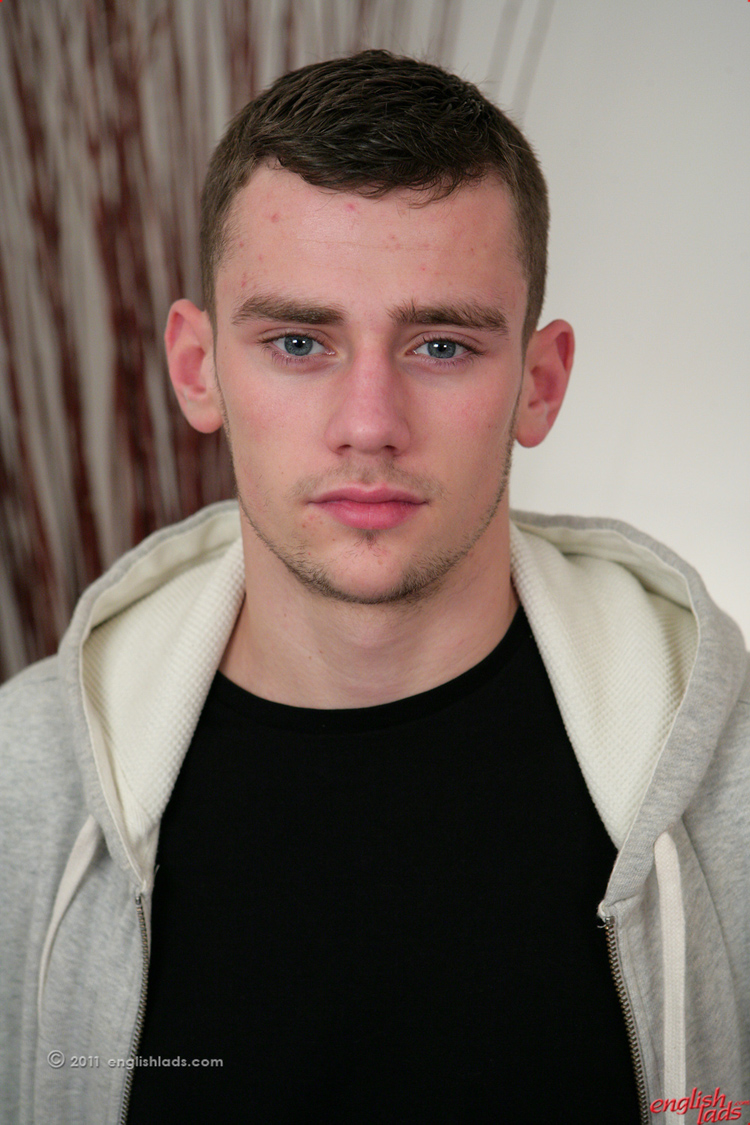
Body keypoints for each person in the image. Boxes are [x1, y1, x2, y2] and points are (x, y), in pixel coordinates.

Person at [1, 49, 748, 1125]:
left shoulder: (732, 784)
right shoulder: (22, 791)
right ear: (198, 368)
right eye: (298, 341)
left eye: (440, 344)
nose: (368, 424)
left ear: (539, 385)